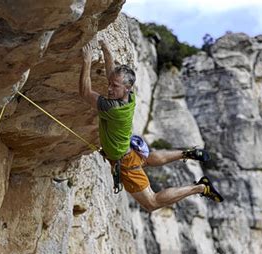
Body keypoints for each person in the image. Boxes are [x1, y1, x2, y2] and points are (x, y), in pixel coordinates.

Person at [79, 41, 223, 212]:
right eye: (110, 84)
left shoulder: (113, 108)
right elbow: (112, 74)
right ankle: (186, 153)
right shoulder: (129, 98)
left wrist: (87, 62)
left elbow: (85, 92)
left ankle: (200, 188)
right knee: (145, 160)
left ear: (127, 88)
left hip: (124, 162)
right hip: (128, 151)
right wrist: (106, 49)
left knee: (152, 203)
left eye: (114, 86)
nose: (109, 89)